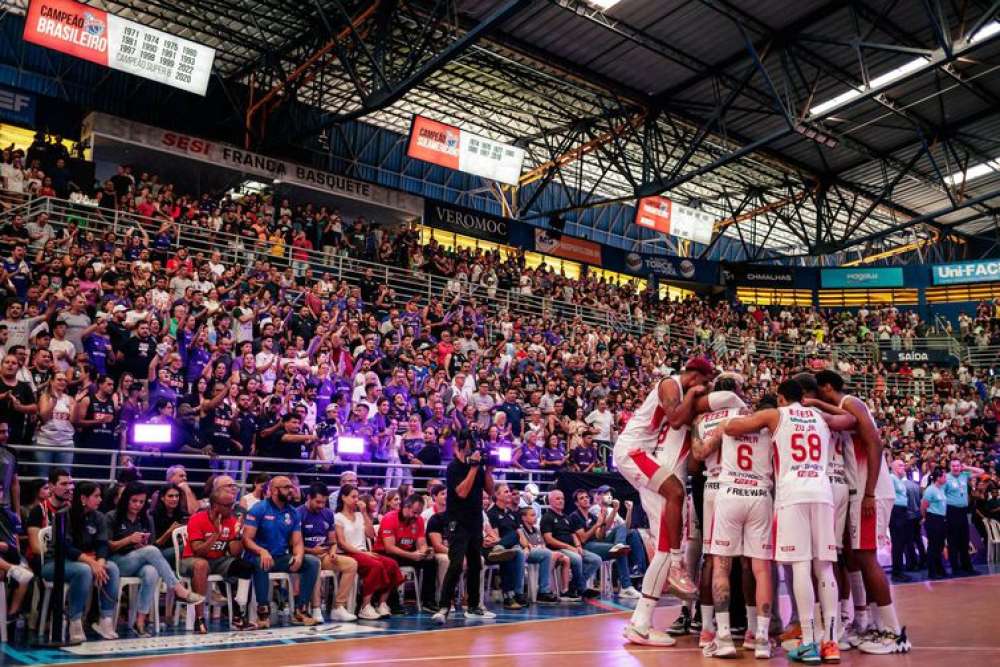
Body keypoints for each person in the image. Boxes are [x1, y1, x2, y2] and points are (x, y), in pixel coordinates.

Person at [725, 379, 856, 664]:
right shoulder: (819, 416)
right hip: (822, 493)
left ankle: (809, 642)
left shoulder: (776, 414)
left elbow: (732, 428)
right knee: (825, 568)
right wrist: (817, 405)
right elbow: (849, 418)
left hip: (792, 494)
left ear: (782, 398)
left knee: (800, 567)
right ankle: (831, 643)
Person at [612, 357, 717, 646]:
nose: (706, 386)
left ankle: (641, 622)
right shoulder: (671, 384)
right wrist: (696, 395)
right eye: (704, 381)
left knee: (662, 541)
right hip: (632, 451)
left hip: (647, 457)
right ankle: (673, 563)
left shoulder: (683, 400)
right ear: (694, 376)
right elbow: (673, 418)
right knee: (675, 492)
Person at [815, 370, 911, 655]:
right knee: (857, 556)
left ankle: (894, 633)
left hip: (870, 493)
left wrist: (869, 492)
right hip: (861, 492)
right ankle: (874, 625)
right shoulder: (844, 407)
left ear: (827, 387)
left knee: (868, 558)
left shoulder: (852, 403)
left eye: (819, 393)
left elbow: (875, 443)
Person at [692, 384, 775, 659]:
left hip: (724, 491)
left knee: (718, 564)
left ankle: (721, 635)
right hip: (760, 495)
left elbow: (700, 453)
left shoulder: (728, 424)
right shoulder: (773, 429)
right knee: (759, 568)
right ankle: (760, 636)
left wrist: (695, 425)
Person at [26, 471, 121, 642]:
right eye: (96, 496)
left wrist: (99, 562)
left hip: (84, 561)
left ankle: (105, 619)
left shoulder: (98, 517)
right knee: (83, 570)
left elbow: (102, 544)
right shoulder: (64, 515)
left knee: (111, 567)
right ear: (83, 499)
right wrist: (91, 562)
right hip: (55, 563)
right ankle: (74, 620)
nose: (100, 500)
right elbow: (66, 547)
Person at [107, 481, 204, 636]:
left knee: (151, 571)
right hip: (118, 561)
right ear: (126, 500)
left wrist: (141, 544)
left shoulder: (145, 518)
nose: (138, 505)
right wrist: (129, 540)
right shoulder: (113, 516)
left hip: (138, 560)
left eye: (141, 502)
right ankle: (179, 589)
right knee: (151, 551)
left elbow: (151, 545)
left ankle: (139, 622)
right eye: (134, 501)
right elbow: (108, 546)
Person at [432, 434, 497, 624]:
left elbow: (491, 491)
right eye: (468, 446)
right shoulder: (454, 467)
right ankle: (444, 606)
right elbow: (462, 492)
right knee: (457, 563)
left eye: (473, 446)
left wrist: (487, 470)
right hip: (457, 522)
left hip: (475, 520)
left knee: (476, 564)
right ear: (459, 447)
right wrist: (474, 468)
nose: (472, 450)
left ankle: (475, 606)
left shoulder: (477, 466)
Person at [242, 474, 321, 628]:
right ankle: (263, 613)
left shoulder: (293, 512)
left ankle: (300, 609)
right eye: (286, 487)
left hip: (280, 558)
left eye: (291, 487)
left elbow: (297, 541)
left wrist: (298, 556)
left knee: (311, 562)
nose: (291, 490)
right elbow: (246, 539)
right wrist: (261, 551)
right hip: (257, 557)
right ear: (274, 490)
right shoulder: (259, 509)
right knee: (261, 562)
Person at [181, 484, 257, 632]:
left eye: (233, 504)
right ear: (215, 506)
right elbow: (198, 551)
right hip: (191, 559)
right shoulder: (197, 519)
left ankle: (239, 615)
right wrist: (216, 534)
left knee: (245, 566)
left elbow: (234, 553)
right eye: (228, 505)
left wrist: (239, 535)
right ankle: (199, 619)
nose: (231, 509)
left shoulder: (232, 520)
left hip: (218, 560)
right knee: (201, 565)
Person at [334, 482, 404, 620]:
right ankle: (365, 606)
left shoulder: (360, 516)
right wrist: (362, 553)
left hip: (364, 552)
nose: (356, 500)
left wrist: (365, 513)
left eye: (357, 497)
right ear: (343, 497)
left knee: (392, 564)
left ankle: (382, 603)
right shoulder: (338, 517)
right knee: (376, 565)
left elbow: (371, 535)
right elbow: (342, 543)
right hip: (350, 553)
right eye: (353, 497)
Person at [487, 483, 560, 608]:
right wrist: (514, 547)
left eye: (509, 491)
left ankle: (543, 591)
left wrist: (526, 546)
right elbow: (495, 537)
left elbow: (520, 534)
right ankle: (518, 593)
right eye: (506, 492)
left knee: (546, 554)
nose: (509, 494)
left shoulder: (511, 513)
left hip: (519, 546)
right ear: (497, 495)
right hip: (504, 547)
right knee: (517, 552)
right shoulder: (492, 513)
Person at [297, 482, 358, 622]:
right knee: (315, 564)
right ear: (308, 498)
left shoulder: (328, 514)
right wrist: (312, 550)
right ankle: (316, 608)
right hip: (305, 556)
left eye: (323, 502)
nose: (321, 506)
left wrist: (333, 551)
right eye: (318, 502)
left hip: (324, 555)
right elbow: (295, 544)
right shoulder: (298, 513)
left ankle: (338, 608)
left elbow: (333, 540)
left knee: (351, 564)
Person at [569, 488, 637, 599]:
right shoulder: (575, 516)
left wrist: (614, 511)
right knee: (620, 551)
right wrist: (597, 524)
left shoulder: (592, 516)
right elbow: (583, 539)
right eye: (582, 498)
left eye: (586, 497)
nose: (586, 499)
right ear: (577, 503)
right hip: (587, 546)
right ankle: (626, 587)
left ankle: (619, 545)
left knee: (622, 527)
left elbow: (600, 535)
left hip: (597, 543)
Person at [376, 493, 438, 613]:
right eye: (414, 512)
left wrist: (425, 551)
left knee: (431, 560)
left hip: (407, 552)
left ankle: (428, 601)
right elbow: (389, 547)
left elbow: (421, 542)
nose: (416, 516)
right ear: (406, 506)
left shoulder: (418, 520)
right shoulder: (389, 518)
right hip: (385, 552)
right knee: (392, 561)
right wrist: (412, 555)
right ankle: (392, 603)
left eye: (419, 513)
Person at [541, 489, 601, 601]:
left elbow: (573, 533)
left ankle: (575, 586)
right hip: (557, 549)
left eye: (562, 498)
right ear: (550, 501)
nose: (561, 501)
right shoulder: (547, 517)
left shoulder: (565, 517)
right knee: (577, 558)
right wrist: (568, 547)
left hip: (572, 547)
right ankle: (582, 589)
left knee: (596, 559)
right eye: (557, 499)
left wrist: (578, 546)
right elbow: (548, 539)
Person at [944, 458, 984, 576]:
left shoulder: (964, 475)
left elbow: (981, 472)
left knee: (964, 539)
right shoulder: (945, 477)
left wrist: (966, 467)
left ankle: (967, 567)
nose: (956, 468)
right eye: (953, 466)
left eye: (958, 466)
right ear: (950, 467)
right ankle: (955, 568)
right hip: (951, 511)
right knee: (953, 541)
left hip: (963, 512)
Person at [921, 468, 949, 579]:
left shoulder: (941, 489)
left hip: (941, 519)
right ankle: (931, 571)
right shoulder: (930, 490)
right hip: (933, 518)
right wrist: (925, 517)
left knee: (940, 545)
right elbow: (923, 506)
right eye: (944, 476)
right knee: (933, 545)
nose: (945, 478)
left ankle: (939, 569)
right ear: (938, 478)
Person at [889, 460, 912, 582]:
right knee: (897, 543)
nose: (903, 467)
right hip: (896, 511)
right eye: (900, 465)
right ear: (892, 467)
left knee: (902, 542)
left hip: (903, 511)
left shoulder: (900, 480)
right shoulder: (891, 478)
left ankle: (899, 570)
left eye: (904, 465)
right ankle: (896, 572)